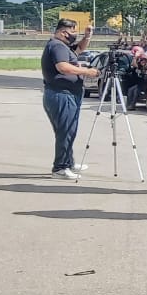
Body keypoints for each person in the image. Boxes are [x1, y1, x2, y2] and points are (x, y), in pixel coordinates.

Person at [40, 19, 99, 179]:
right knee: (65, 131)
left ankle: (68, 162)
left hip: (66, 93)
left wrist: (87, 37)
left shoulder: (63, 46)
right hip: (62, 94)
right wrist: (86, 71)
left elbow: (78, 49)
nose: (74, 35)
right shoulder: (57, 46)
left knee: (68, 130)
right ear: (63, 32)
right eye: (72, 32)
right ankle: (60, 168)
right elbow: (62, 67)